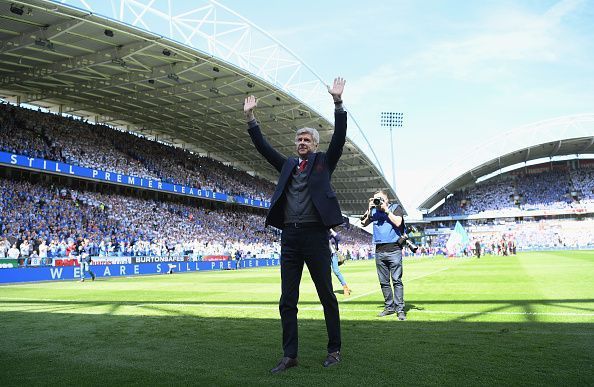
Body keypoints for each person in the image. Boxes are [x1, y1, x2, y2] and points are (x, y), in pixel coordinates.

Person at [244, 77, 347, 373]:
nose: (302, 143)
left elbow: (339, 138)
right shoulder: (288, 164)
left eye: (307, 140)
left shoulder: (323, 163)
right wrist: (251, 118)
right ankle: (290, 355)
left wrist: (338, 103)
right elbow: (263, 148)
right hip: (289, 237)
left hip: (315, 236)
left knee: (326, 294)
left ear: (314, 145)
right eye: (299, 140)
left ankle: (334, 349)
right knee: (287, 299)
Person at [360, 190, 407, 320]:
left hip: (394, 249)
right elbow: (363, 223)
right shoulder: (373, 211)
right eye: (375, 199)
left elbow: (398, 222)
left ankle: (400, 309)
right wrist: (369, 209)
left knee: (397, 281)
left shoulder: (395, 208)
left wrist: (386, 210)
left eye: (380, 199)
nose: (378, 201)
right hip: (379, 250)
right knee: (384, 282)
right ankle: (389, 307)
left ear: (387, 199)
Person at [329, 228, 351, 296]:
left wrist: (330, 230)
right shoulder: (322, 234)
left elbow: (338, 238)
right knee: (326, 273)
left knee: (336, 271)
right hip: (325, 256)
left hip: (333, 255)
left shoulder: (332, 235)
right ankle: (328, 290)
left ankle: (345, 287)